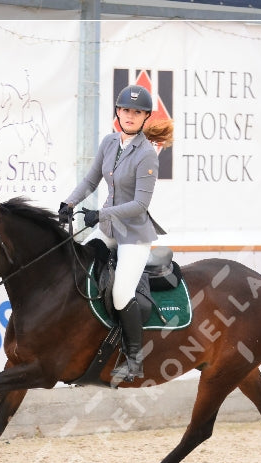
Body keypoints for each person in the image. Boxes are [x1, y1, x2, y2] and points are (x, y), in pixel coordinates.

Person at [59, 84, 174, 382]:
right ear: (117, 112)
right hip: (108, 227)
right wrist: (69, 203)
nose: (130, 115)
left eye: (137, 112)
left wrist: (100, 213)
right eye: (126, 110)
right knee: (78, 264)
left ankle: (135, 358)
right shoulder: (109, 143)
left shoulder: (147, 155)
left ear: (145, 117)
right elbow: (90, 179)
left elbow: (139, 205)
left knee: (122, 293)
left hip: (134, 234)